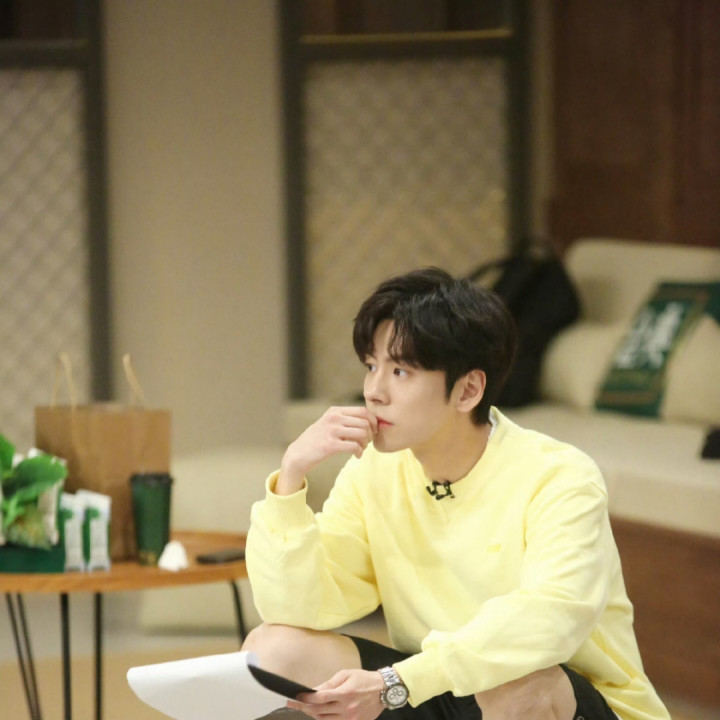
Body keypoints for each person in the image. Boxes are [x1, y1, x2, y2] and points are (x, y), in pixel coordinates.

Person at [243, 267, 670, 720]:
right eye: (371, 366)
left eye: (400, 371)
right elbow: (295, 608)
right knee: (272, 650)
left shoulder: (561, 476)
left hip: (563, 698)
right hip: (435, 685)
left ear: (468, 390)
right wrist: (290, 479)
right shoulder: (374, 469)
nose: (373, 391)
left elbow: (546, 623)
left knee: (522, 683)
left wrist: (399, 682)